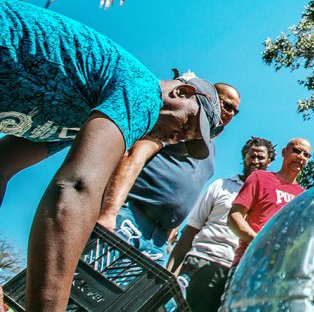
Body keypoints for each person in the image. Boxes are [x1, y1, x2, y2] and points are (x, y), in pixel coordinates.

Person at [0, 0, 220, 310]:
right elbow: (76, 188)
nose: (176, 139)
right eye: (186, 127)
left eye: (185, 139)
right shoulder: (144, 91)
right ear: (181, 92)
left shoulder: (80, 119)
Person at [95, 79, 241, 262]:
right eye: (227, 106)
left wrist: (174, 227)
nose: (231, 114)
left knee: (130, 290)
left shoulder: (209, 147)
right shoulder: (182, 123)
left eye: (235, 111)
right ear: (211, 97)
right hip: (129, 216)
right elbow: (134, 156)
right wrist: (109, 212)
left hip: (159, 240)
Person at [167, 136, 276, 312]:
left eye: (261, 157)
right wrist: (171, 270)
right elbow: (191, 230)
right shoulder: (221, 186)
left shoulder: (270, 197)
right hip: (204, 262)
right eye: (252, 156)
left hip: (240, 273)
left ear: (269, 161)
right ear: (244, 156)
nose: (255, 161)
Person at [227, 137, 311, 266]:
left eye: (306, 155)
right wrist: (259, 243)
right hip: (249, 263)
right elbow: (234, 216)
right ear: (284, 152)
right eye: (297, 151)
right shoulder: (260, 177)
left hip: (280, 271)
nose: (301, 157)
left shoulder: (305, 196)